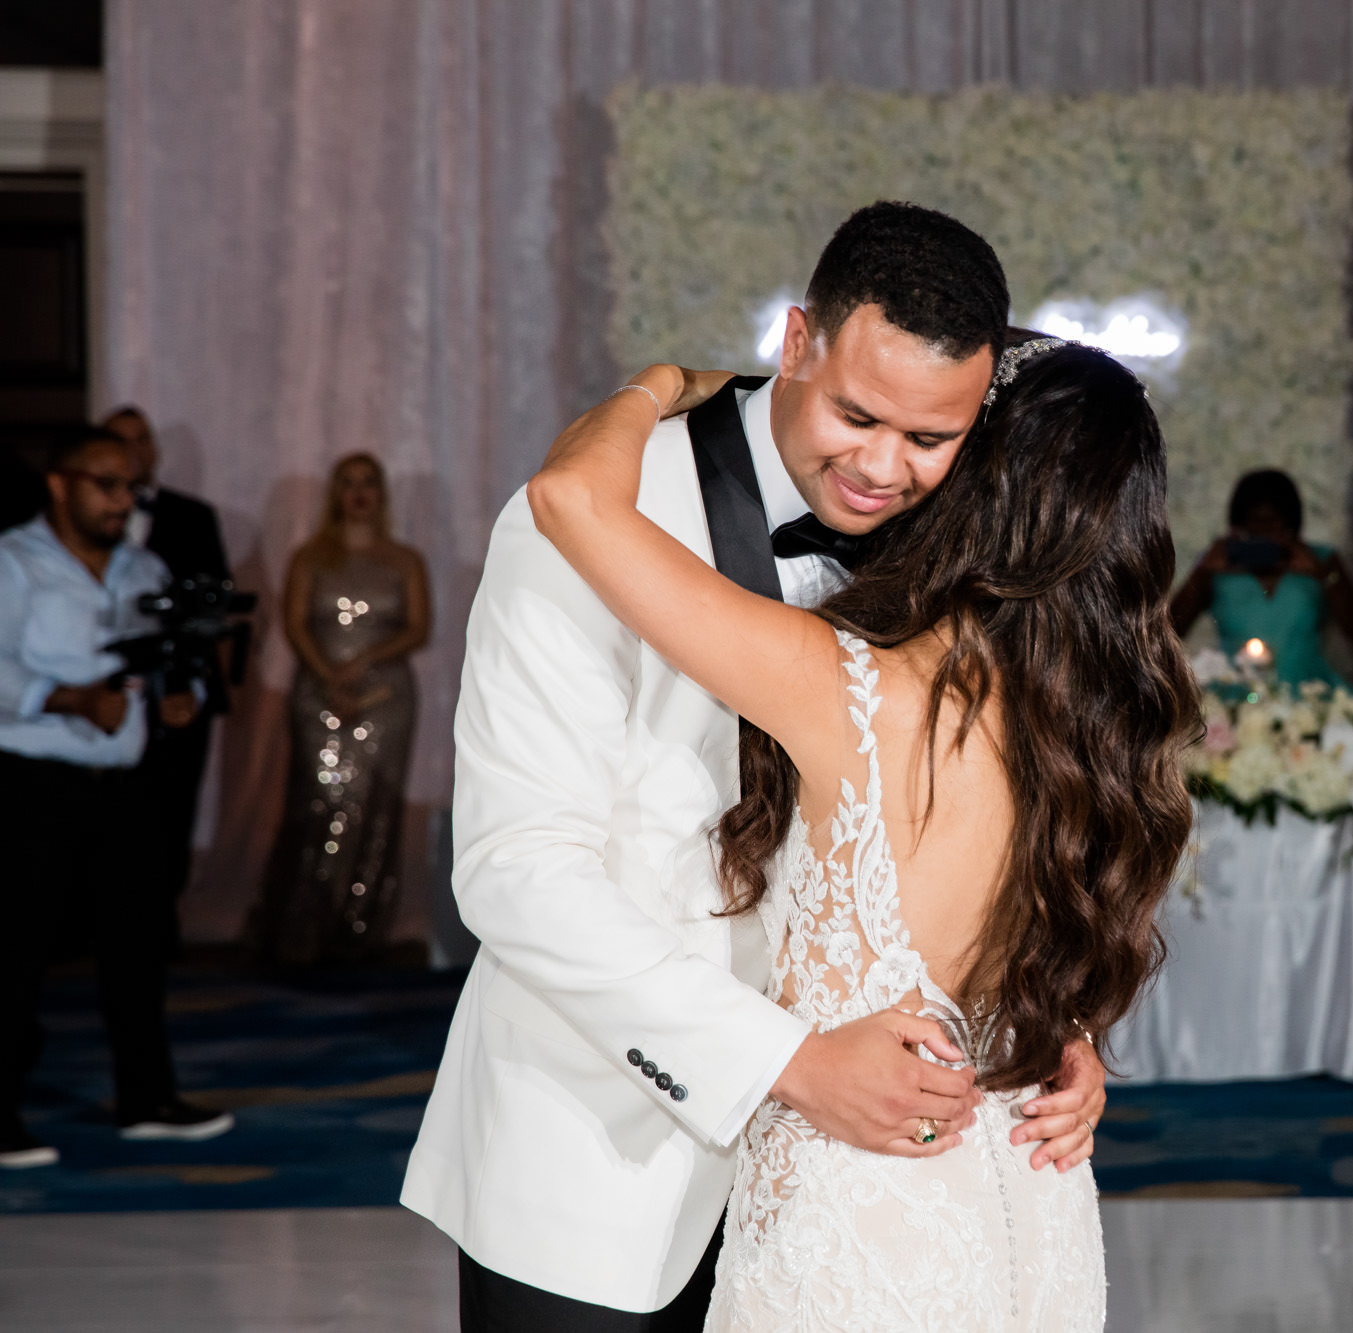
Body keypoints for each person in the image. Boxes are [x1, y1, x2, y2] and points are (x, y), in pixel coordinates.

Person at [403, 203, 1109, 1330]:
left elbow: (973, 808)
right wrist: (785, 1060)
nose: (882, 468)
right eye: (854, 414)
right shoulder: (590, 514)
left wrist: (1045, 1017)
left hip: (858, 1187)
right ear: (794, 344)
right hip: (599, 1158)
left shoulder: (962, 543)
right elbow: (515, 869)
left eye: (930, 438)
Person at [533, 331, 1194, 1330]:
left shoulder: (851, 688)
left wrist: (667, 382)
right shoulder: (1095, 732)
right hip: (1037, 1204)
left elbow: (569, 500)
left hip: (858, 1229)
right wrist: (1068, 1036)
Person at [0, 428, 233, 1170]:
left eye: (129, 486)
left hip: (125, 786)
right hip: (35, 783)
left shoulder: (144, 566)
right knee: (17, 951)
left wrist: (181, 697)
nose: (121, 500)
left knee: (136, 947)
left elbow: (173, 658)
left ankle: (147, 1098)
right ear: (60, 484)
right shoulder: (13, 562)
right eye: (105, 484)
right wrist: (65, 696)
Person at [252, 453, 429, 966]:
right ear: (335, 493)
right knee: (318, 804)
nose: (358, 494)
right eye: (348, 483)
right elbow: (295, 624)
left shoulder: (404, 559)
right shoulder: (311, 556)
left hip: (385, 697)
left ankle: (359, 930)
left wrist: (367, 662)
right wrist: (330, 676)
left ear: (381, 493)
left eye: (368, 483)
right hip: (319, 693)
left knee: (375, 806)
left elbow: (419, 627)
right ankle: (301, 929)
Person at [103, 406, 234, 935]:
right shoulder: (69, 526)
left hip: (178, 691)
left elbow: (212, 612)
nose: (134, 450)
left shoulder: (191, 517)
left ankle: (159, 928)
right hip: (102, 694)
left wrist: (192, 689)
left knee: (173, 812)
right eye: (120, 440)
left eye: (142, 439)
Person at [1169, 469, 1353, 686]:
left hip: (1309, 694)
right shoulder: (1218, 567)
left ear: (1292, 524)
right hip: (1235, 695)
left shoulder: (1320, 560)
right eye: (1255, 525)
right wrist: (1201, 573)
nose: (1265, 535)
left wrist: (1321, 574)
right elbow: (1169, 632)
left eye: (1274, 525)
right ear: (1238, 526)